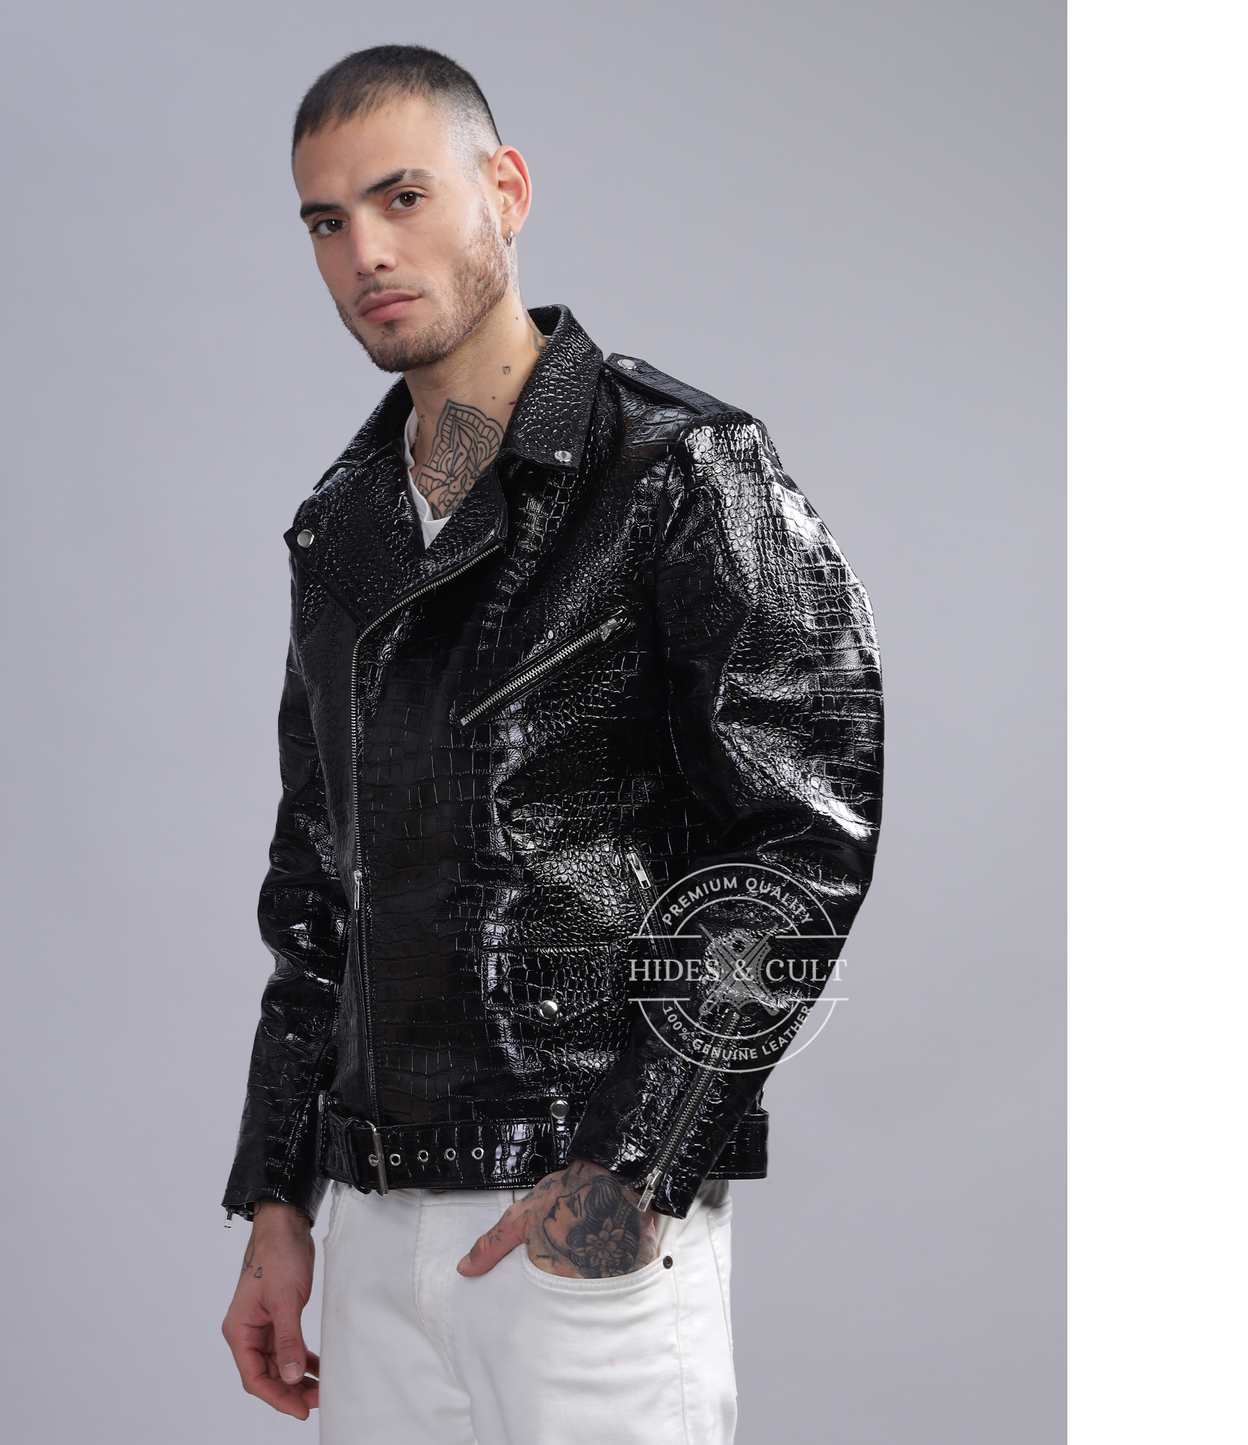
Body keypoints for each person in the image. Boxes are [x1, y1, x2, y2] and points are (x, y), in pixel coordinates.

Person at [220, 44, 883, 1445]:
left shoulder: (679, 471)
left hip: (579, 1222)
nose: (365, 252)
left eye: (403, 197)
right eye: (328, 221)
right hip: (371, 1233)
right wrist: (278, 1200)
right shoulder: (342, 532)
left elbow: (799, 839)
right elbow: (317, 888)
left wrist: (631, 1167)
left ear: (505, 191)